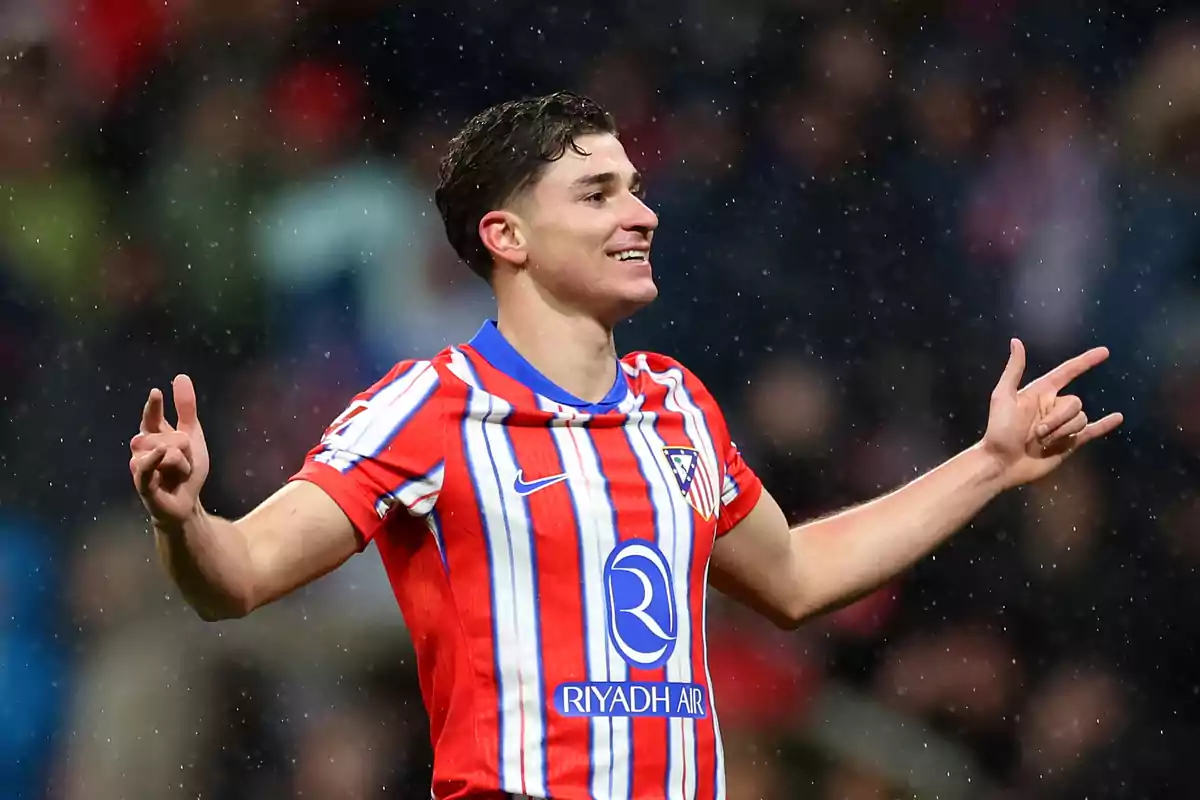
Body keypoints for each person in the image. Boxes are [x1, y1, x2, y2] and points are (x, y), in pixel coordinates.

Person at [129, 91, 1123, 800]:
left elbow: (797, 573)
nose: (641, 211)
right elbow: (242, 574)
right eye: (598, 193)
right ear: (507, 236)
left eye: (635, 188)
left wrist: (989, 460)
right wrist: (184, 522)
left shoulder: (676, 405)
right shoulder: (426, 408)